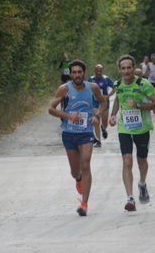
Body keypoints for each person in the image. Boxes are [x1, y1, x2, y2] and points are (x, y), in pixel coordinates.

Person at [49, 60, 106, 216]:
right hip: (69, 133)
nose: (77, 75)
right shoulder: (64, 89)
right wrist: (68, 115)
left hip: (86, 132)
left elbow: (102, 102)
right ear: (70, 74)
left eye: (79, 72)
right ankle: (78, 178)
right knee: (75, 172)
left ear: (84, 73)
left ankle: (84, 203)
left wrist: (97, 116)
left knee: (86, 163)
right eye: (73, 72)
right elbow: (51, 109)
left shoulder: (92, 87)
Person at [109, 55, 155, 212]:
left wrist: (138, 105)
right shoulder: (117, 84)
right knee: (127, 160)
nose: (126, 71)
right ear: (119, 69)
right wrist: (113, 114)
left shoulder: (143, 84)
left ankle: (142, 184)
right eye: (123, 68)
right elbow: (118, 100)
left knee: (141, 161)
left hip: (142, 128)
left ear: (133, 68)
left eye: (129, 68)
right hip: (124, 128)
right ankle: (130, 198)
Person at [88, 64, 115, 147]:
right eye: (97, 70)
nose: (99, 72)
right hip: (95, 103)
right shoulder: (91, 79)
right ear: (94, 70)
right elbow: (86, 89)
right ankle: (98, 141)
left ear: (102, 71)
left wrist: (108, 96)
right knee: (96, 120)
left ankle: (103, 129)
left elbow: (115, 87)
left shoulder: (106, 79)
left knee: (104, 122)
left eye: (100, 70)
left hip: (104, 102)